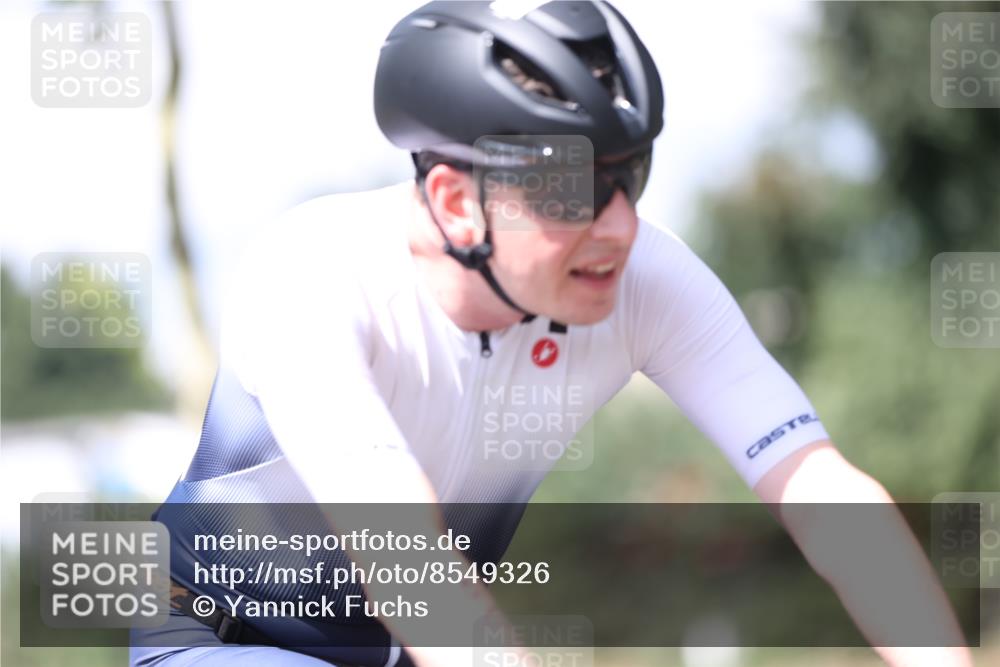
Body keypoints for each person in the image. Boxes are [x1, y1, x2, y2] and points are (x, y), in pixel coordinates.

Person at [131, 1, 973, 666]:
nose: (616, 226)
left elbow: (821, 495)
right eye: (571, 185)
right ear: (459, 201)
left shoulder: (644, 278)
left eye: (629, 176)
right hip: (220, 637)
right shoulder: (313, 272)